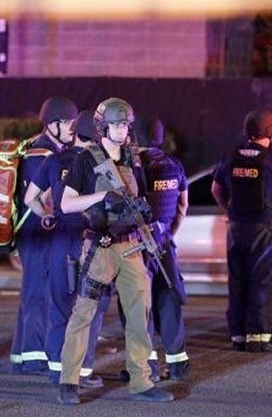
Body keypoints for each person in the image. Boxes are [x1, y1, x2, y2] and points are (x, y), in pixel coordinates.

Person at [57, 98, 174, 405]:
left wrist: (145, 213)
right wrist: (103, 198)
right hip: (99, 248)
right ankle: (69, 381)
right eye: (117, 124)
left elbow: (141, 197)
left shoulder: (134, 160)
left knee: (139, 315)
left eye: (126, 125)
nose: (123, 130)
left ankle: (141, 380)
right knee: (83, 314)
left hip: (132, 247)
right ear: (102, 126)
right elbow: (66, 204)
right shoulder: (85, 159)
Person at [25, 109, 108, 387]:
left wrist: (46, 215)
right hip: (90, 239)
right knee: (88, 306)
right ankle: (82, 370)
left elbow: (29, 199)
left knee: (59, 303)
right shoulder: (100, 163)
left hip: (61, 239)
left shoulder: (54, 159)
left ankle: (56, 368)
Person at [211, 108, 272, 353]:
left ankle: (237, 335)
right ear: (271, 130)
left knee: (237, 282)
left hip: (236, 227)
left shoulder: (230, 155)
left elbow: (216, 188)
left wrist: (230, 210)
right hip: (263, 229)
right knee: (262, 281)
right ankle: (257, 337)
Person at [10, 96, 78, 375]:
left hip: (33, 233)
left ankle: (22, 353)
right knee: (38, 294)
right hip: (37, 233)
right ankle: (34, 357)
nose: (73, 128)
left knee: (33, 293)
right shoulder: (43, 155)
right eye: (68, 123)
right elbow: (41, 197)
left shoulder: (34, 149)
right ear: (53, 124)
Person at [133, 115, 190, 380]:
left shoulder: (133, 165)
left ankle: (148, 368)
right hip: (165, 242)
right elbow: (182, 206)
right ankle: (178, 365)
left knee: (138, 304)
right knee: (169, 299)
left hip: (137, 245)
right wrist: (169, 234)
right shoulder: (174, 165)